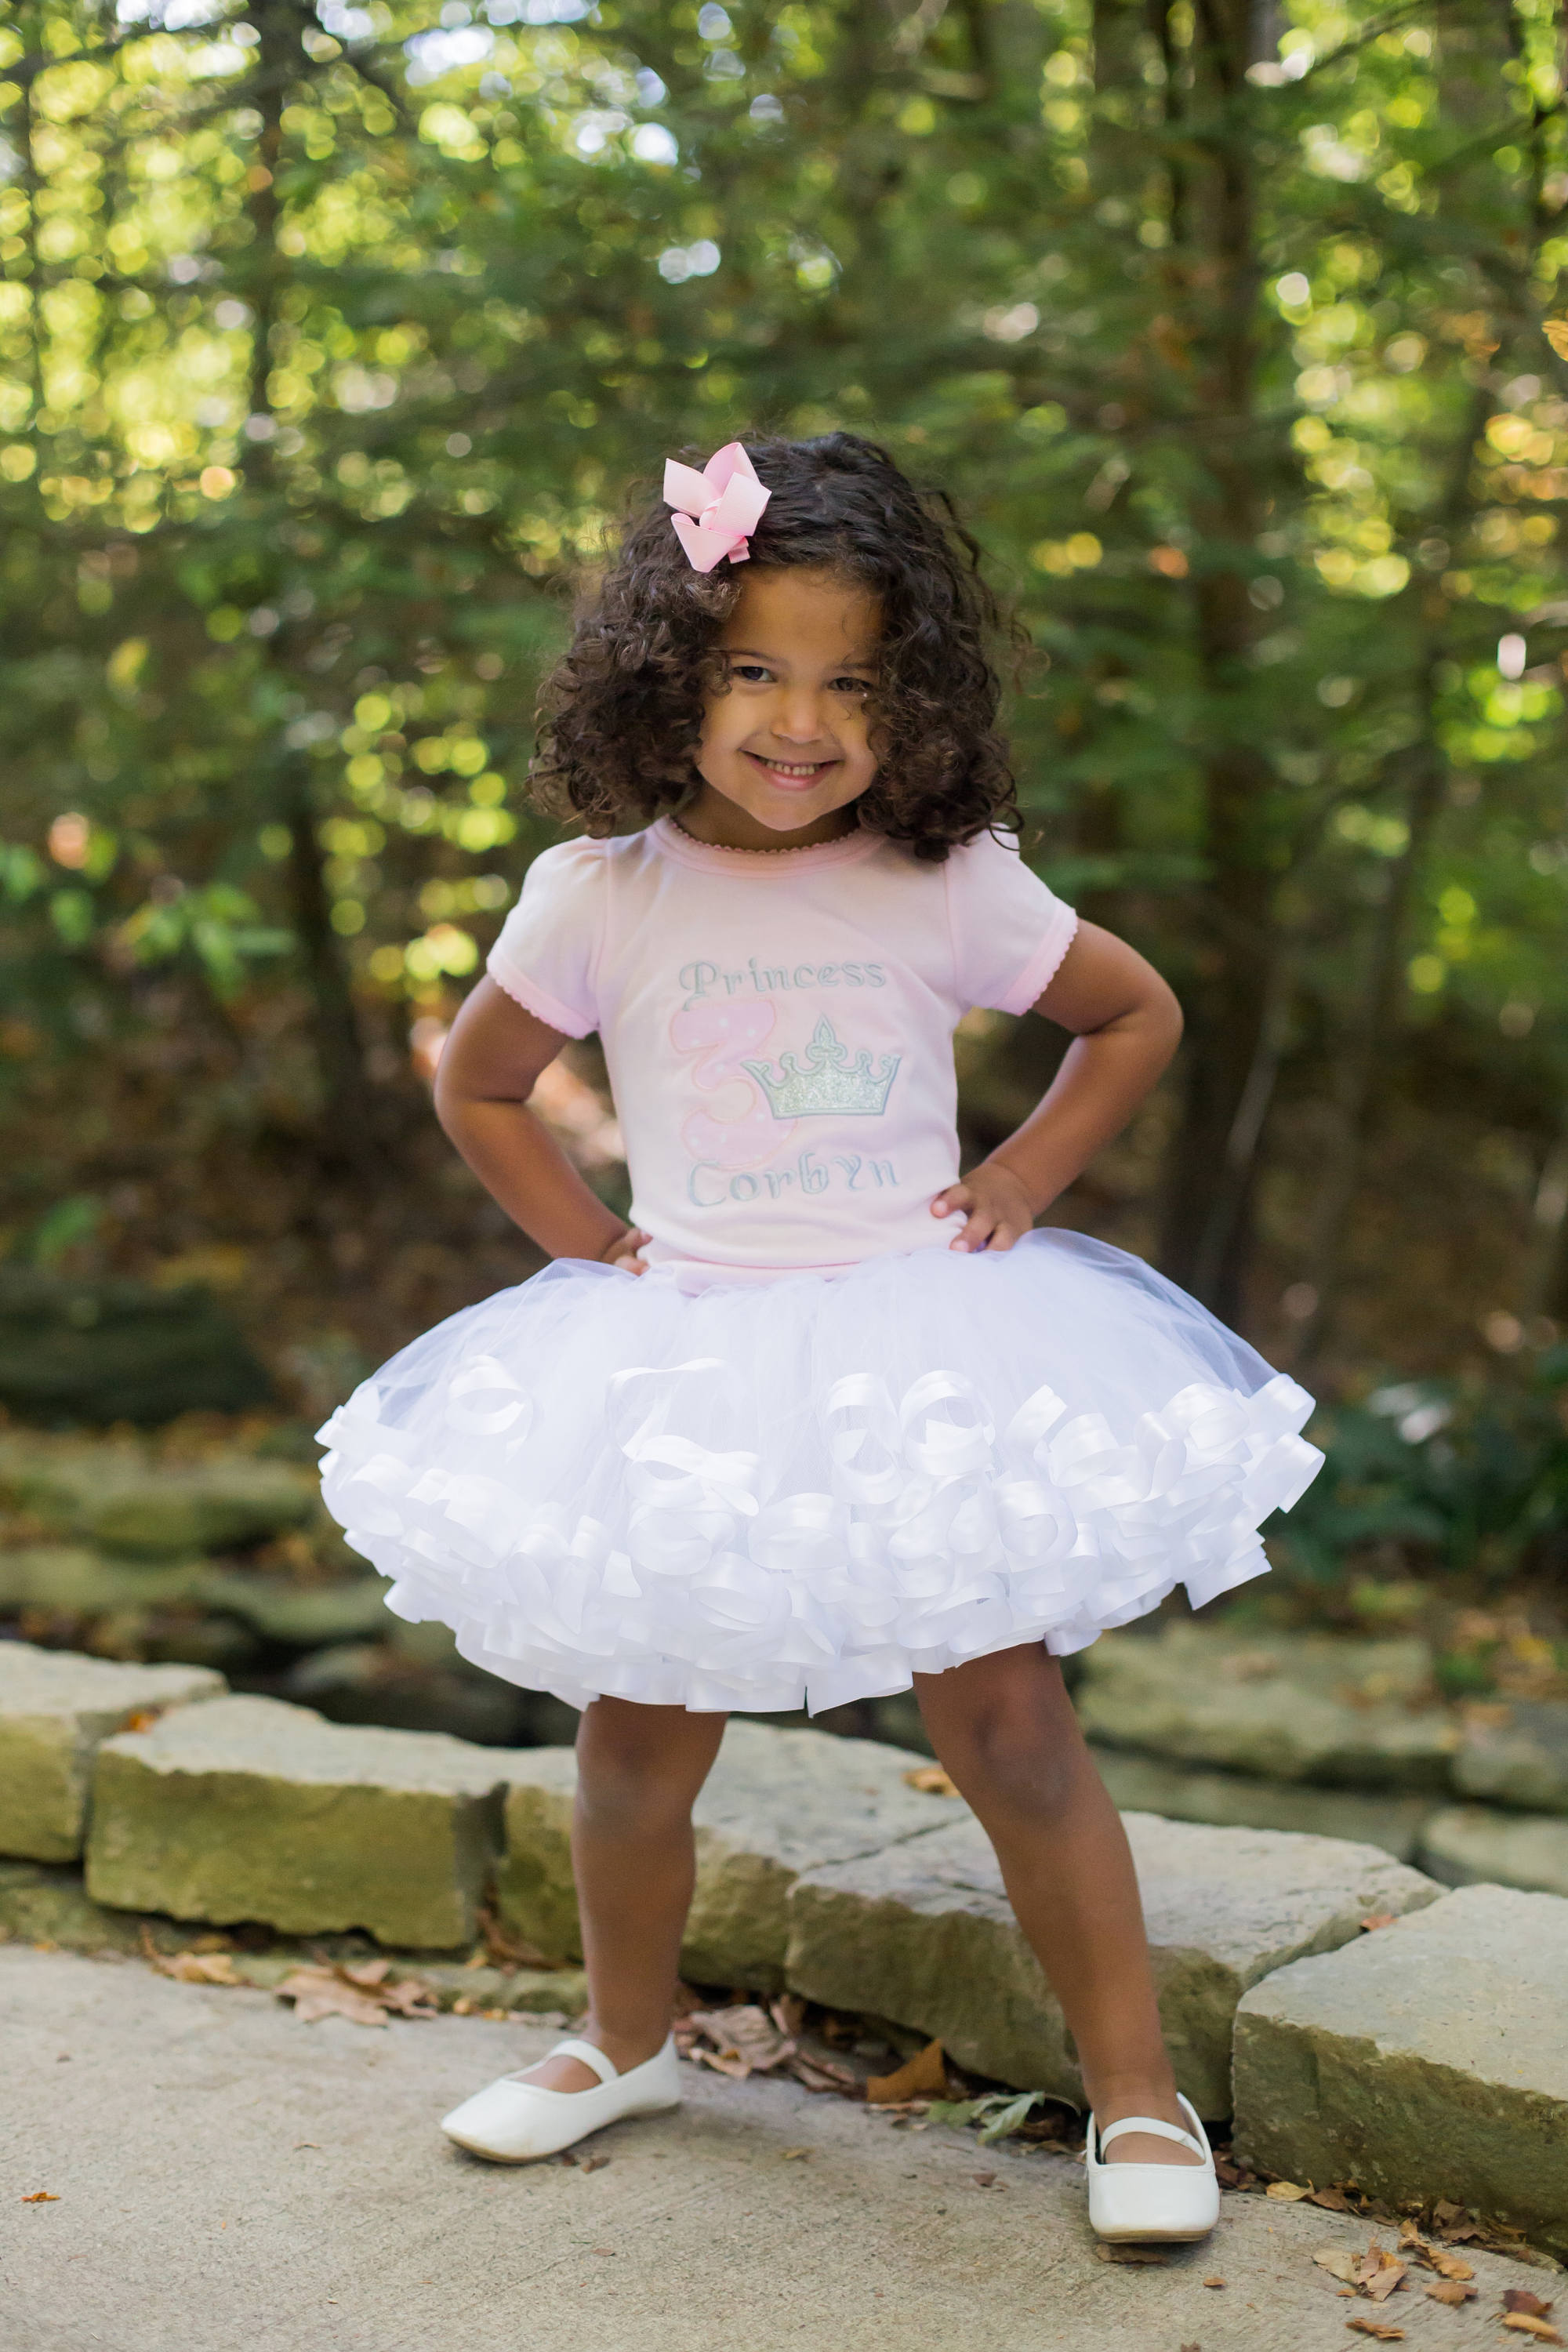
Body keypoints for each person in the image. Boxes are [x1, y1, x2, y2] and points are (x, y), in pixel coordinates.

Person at [318, 434, 1323, 2241]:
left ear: (912, 698)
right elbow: (482, 1085)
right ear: (669, 680)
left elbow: (1132, 1013)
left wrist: (1019, 1173)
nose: (804, 722)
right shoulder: (602, 893)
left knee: (1009, 1720)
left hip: (918, 1350)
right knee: (637, 1738)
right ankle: (628, 2040)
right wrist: (591, 1246)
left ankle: (1135, 2095)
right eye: (755, 671)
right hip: (687, 1350)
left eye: (852, 680)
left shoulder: (941, 878)